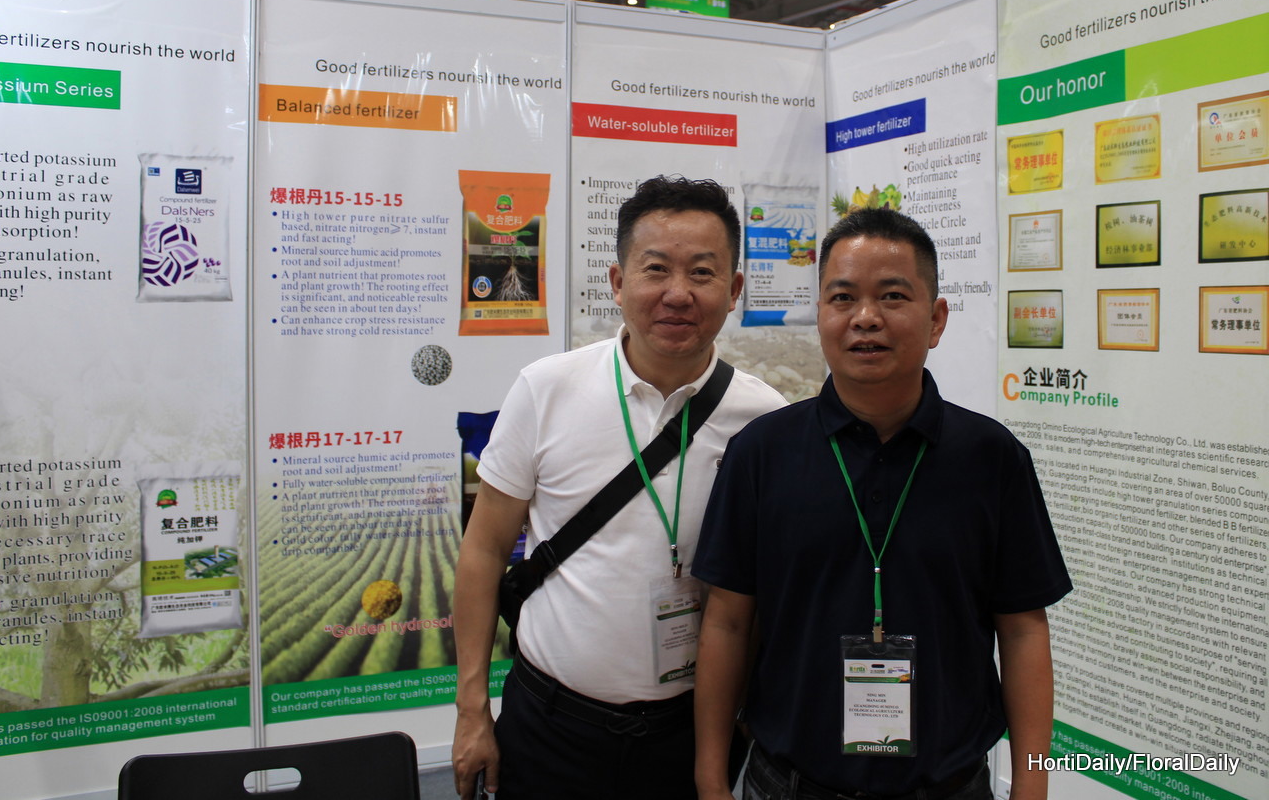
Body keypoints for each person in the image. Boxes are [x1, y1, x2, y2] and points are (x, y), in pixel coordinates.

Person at [692, 208, 1072, 800]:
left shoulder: (992, 457)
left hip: (951, 787)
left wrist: (1032, 785)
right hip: (787, 784)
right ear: (821, 313)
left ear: (936, 319)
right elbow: (728, 621)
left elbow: (1022, 630)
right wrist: (711, 776)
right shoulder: (761, 453)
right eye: (842, 297)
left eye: (893, 296)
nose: (865, 318)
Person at [452, 175, 787, 800]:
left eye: (703, 273)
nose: (677, 293)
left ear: (735, 289)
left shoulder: (765, 419)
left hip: (690, 734)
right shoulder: (546, 388)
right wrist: (471, 708)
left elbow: (764, 589)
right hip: (550, 724)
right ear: (617, 281)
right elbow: (484, 550)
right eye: (655, 269)